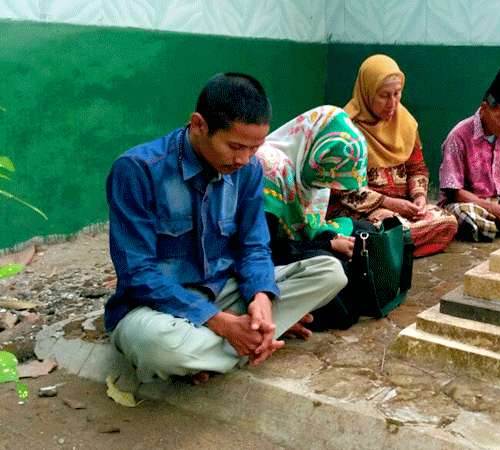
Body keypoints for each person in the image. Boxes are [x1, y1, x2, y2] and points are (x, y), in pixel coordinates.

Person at [105, 73, 347, 384]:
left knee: (330, 272)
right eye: (235, 146)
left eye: (255, 147)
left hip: (223, 291)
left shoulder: (249, 171)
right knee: (158, 348)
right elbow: (137, 273)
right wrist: (220, 324)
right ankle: (245, 343)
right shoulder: (138, 171)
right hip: (156, 307)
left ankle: (231, 345)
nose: (244, 159)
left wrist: (260, 298)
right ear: (198, 125)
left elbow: (254, 246)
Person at [328, 54, 457, 258]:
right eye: (384, 95)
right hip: (362, 211)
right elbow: (343, 190)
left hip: (403, 208)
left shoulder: (405, 123)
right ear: (367, 93)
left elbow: (417, 168)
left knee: (447, 222)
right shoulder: (346, 130)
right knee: (384, 227)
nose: (393, 103)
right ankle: (388, 248)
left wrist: (419, 197)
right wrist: (387, 202)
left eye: (397, 94)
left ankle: (389, 251)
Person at [255, 105, 370, 330]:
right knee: (336, 272)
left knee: (364, 231)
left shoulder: (308, 165)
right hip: (269, 255)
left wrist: (331, 238)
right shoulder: (270, 169)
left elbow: (310, 225)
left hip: (292, 246)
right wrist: (327, 244)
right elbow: (264, 248)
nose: (328, 187)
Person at [439, 67, 500, 242]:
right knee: (464, 216)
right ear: (484, 108)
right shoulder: (459, 136)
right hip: (472, 204)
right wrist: (493, 209)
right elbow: (454, 193)